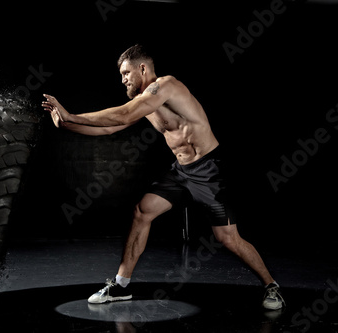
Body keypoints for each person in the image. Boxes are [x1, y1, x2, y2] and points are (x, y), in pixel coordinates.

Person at [42, 44, 285, 310]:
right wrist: (67, 124)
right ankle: (120, 285)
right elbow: (109, 129)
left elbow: (125, 113)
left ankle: (271, 286)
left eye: (125, 73)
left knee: (227, 238)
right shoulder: (144, 103)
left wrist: (72, 114)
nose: (122, 79)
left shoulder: (166, 86)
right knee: (142, 211)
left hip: (208, 169)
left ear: (143, 68)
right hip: (181, 171)